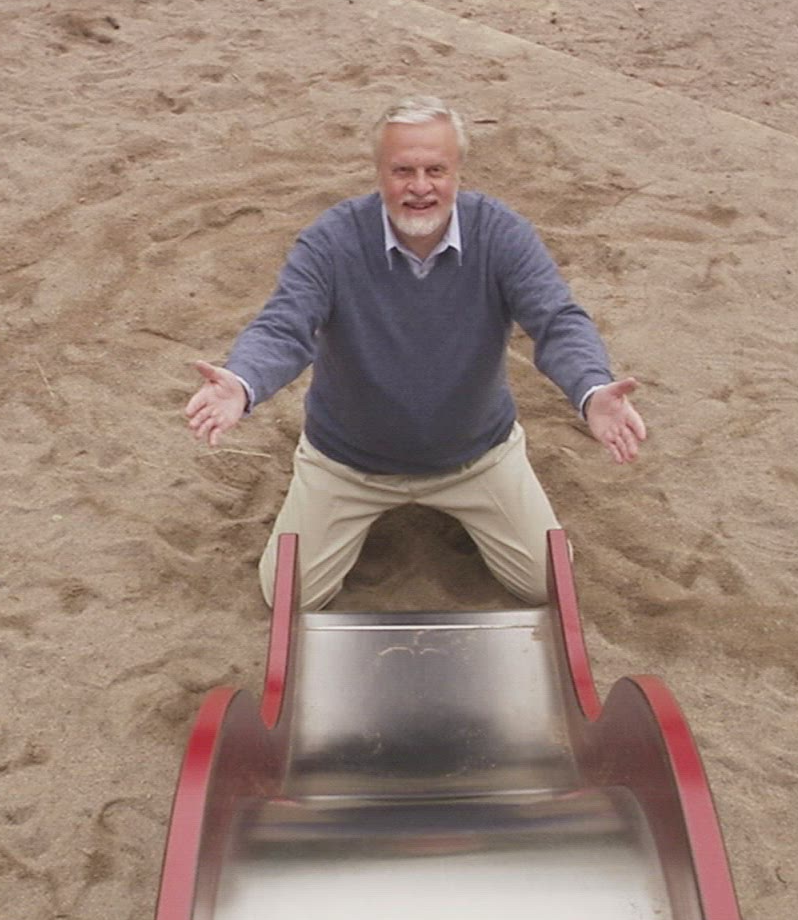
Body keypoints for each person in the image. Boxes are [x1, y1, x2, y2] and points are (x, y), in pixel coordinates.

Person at [183, 95, 646, 610]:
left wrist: (591, 389)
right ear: (379, 172)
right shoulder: (331, 241)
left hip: (476, 456)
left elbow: (557, 319)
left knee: (547, 584)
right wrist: (242, 382)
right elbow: (284, 324)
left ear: (458, 171)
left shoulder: (501, 234)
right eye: (403, 170)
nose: (420, 187)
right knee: (290, 598)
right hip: (349, 462)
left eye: (435, 170)